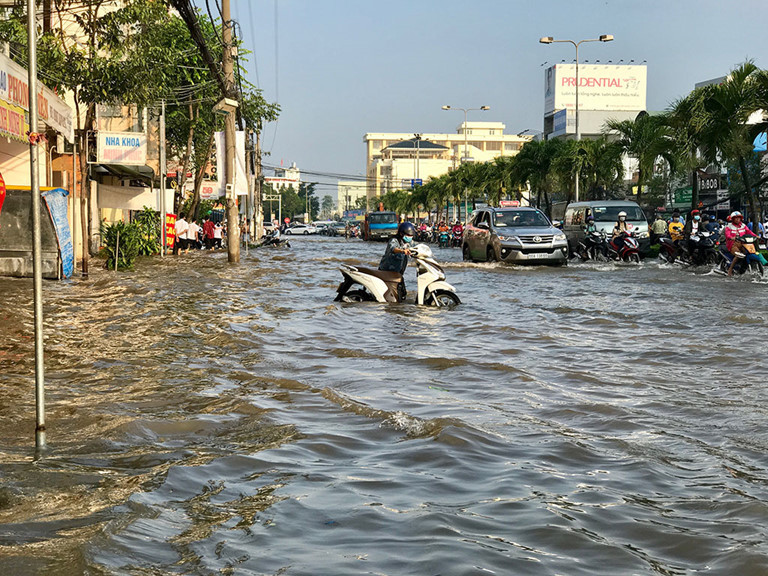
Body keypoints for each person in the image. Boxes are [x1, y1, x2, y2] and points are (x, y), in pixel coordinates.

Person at [379, 221, 416, 300]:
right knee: (394, 297)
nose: (410, 237)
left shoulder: (409, 243)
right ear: (401, 234)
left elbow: (417, 247)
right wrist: (402, 251)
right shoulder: (394, 240)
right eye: (408, 235)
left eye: (411, 235)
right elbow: (393, 248)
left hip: (398, 274)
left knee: (403, 294)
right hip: (387, 272)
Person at [724, 211, 764, 275]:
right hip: (733, 244)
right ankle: (730, 270)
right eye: (735, 218)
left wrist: (756, 236)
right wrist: (731, 237)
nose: (737, 219)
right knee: (738, 255)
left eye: (738, 218)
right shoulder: (729, 226)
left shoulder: (743, 225)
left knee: (749, 252)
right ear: (733, 219)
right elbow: (727, 235)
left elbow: (749, 232)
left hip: (743, 243)